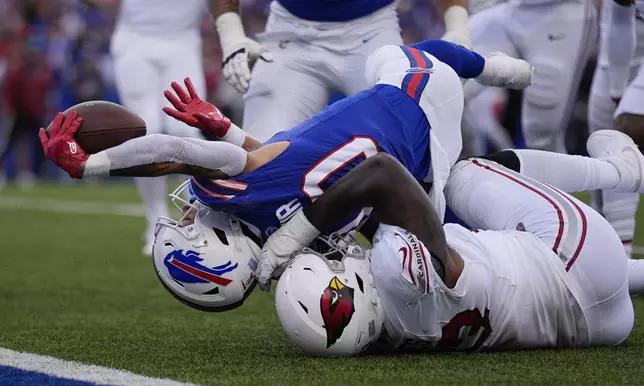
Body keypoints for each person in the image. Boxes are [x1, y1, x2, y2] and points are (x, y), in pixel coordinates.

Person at [40, 39, 532, 237]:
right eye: (193, 222)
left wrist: (229, 130)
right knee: (398, 50)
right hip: (416, 99)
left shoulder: (272, 215)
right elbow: (171, 150)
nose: (188, 213)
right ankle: (492, 67)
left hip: (413, 155)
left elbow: (287, 165)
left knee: (460, 222)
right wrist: (89, 166)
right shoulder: (236, 186)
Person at [272, 129, 644, 355]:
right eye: (332, 264)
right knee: (464, 175)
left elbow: (381, 216)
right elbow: (382, 172)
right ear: (345, 289)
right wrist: (303, 226)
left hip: (597, 328)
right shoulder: (394, 269)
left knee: (500, 257)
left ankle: (633, 274)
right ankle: (620, 171)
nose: (339, 254)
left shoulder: (386, 336)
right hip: (580, 254)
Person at [210, 0, 473, 143]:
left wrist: (458, 28)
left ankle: (409, 241)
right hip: (291, 34)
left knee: (405, 146)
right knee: (261, 154)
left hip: (372, 31)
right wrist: (231, 33)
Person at [87, 0, 212, 255]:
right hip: (136, 42)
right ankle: (155, 219)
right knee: (146, 130)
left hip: (182, 43)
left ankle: (202, 216)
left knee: (187, 130)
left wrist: (231, 34)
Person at [462, 0, 598, 153]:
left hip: (557, 12)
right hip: (498, 7)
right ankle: (459, 171)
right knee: (446, 87)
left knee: (540, 136)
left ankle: (551, 176)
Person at [587, 0, 644, 256]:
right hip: (618, 53)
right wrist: (618, 88)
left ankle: (622, 261)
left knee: (630, 126)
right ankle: (612, 258)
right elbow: (621, 17)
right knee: (605, 143)